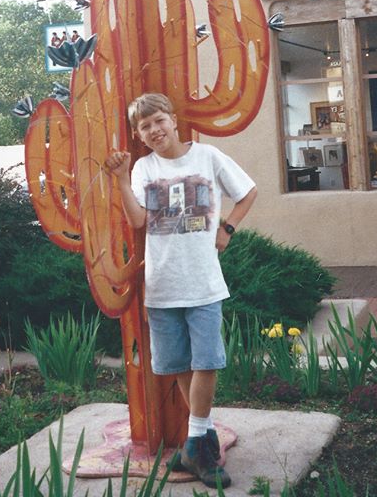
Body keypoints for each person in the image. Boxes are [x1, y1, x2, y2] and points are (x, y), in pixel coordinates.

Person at [104, 93, 257, 489]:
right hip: (162, 284)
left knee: (207, 361)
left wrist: (228, 228)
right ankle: (201, 446)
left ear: (173, 120)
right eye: (145, 126)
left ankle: (195, 445)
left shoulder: (207, 157)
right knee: (179, 366)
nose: (154, 131)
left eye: (159, 121)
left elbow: (248, 192)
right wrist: (121, 179)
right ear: (139, 134)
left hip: (203, 281)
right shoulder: (142, 168)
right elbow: (138, 220)